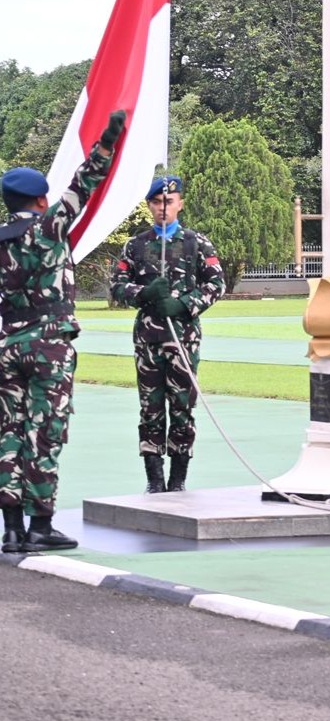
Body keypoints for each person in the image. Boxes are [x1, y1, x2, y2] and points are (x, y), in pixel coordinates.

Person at [0, 110, 123, 554]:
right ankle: (40, 525)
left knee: (9, 433)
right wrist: (106, 144)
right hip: (48, 345)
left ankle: (10, 528)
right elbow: (84, 185)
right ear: (38, 200)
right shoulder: (50, 227)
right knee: (45, 431)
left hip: (6, 344)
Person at [109, 176, 225, 493]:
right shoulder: (135, 245)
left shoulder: (196, 243)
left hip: (183, 337)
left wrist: (186, 303)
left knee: (183, 407)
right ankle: (154, 478)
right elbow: (116, 286)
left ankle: (178, 478)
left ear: (180, 204)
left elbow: (216, 284)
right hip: (148, 337)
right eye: (157, 202)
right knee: (150, 407)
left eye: (169, 202)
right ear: (149, 205)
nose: (163, 208)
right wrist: (144, 293)